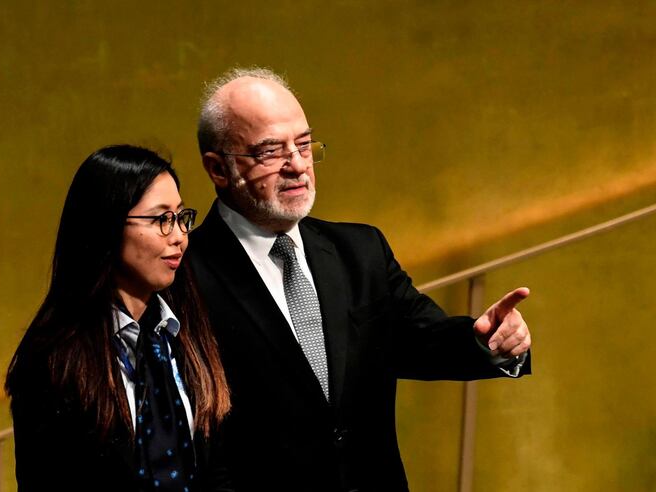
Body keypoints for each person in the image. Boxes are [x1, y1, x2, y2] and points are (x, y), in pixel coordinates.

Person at [187, 67, 532, 492]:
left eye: (305, 144)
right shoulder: (182, 276)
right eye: (270, 151)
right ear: (218, 169)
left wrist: (489, 340)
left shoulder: (361, 250)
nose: (297, 165)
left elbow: (423, 339)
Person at [5, 145, 232, 492]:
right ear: (107, 226)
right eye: (161, 220)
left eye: (181, 217)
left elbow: (216, 465)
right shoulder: (53, 359)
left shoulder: (189, 328)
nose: (179, 237)